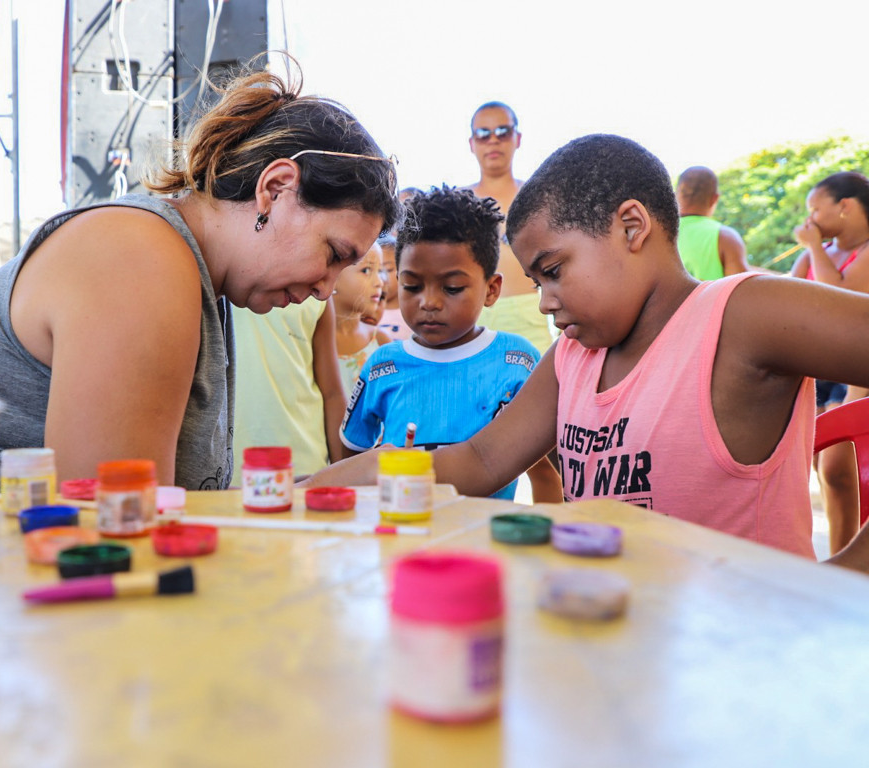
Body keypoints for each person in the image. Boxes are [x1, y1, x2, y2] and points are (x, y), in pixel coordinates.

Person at [304, 133, 869, 568]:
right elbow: (475, 461)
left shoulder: (744, 317)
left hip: (745, 672)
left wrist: (846, 571)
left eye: (553, 272)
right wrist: (310, 489)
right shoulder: (573, 359)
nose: (546, 303)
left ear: (631, 226)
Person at [0, 67, 400, 491]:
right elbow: (114, 520)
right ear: (275, 189)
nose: (326, 289)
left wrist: (321, 486)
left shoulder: (191, 275)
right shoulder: (139, 257)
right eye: (334, 254)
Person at [339, 186, 562, 502]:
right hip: (400, 539)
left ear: (491, 289)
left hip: (486, 545)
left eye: (452, 288)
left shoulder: (518, 360)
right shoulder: (381, 365)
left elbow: (545, 474)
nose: (429, 302)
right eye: (412, 286)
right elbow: (351, 462)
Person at [790, 171, 869, 554]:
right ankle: (839, 558)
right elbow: (788, 295)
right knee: (822, 468)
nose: (810, 220)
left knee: (839, 465)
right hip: (815, 370)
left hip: (855, 371)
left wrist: (814, 248)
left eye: (815, 209)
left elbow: (839, 300)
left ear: (845, 206)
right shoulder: (814, 251)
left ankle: (848, 561)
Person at [462, 102, 554, 355]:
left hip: (533, 317)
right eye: (483, 133)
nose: (493, 140)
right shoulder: (457, 202)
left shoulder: (539, 197)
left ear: (518, 138)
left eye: (502, 131)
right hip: (469, 318)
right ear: (472, 142)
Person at [230, 297, 346, 485]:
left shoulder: (319, 296)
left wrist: (342, 474)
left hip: (303, 467)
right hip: (228, 468)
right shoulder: (209, 279)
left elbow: (332, 393)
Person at [675, 166, 752, 279]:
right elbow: (743, 292)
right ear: (714, 199)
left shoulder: (655, 233)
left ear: (675, 194)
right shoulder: (726, 238)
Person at [334, 242, 391, 394]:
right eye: (366, 270)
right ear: (332, 275)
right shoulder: (310, 338)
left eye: (380, 272)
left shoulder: (381, 342)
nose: (379, 282)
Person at [375, 234, 412, 340]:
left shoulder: (411, 313)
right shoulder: (364, 313)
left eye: (388, 269)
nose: (380, 278)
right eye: (371, 271)